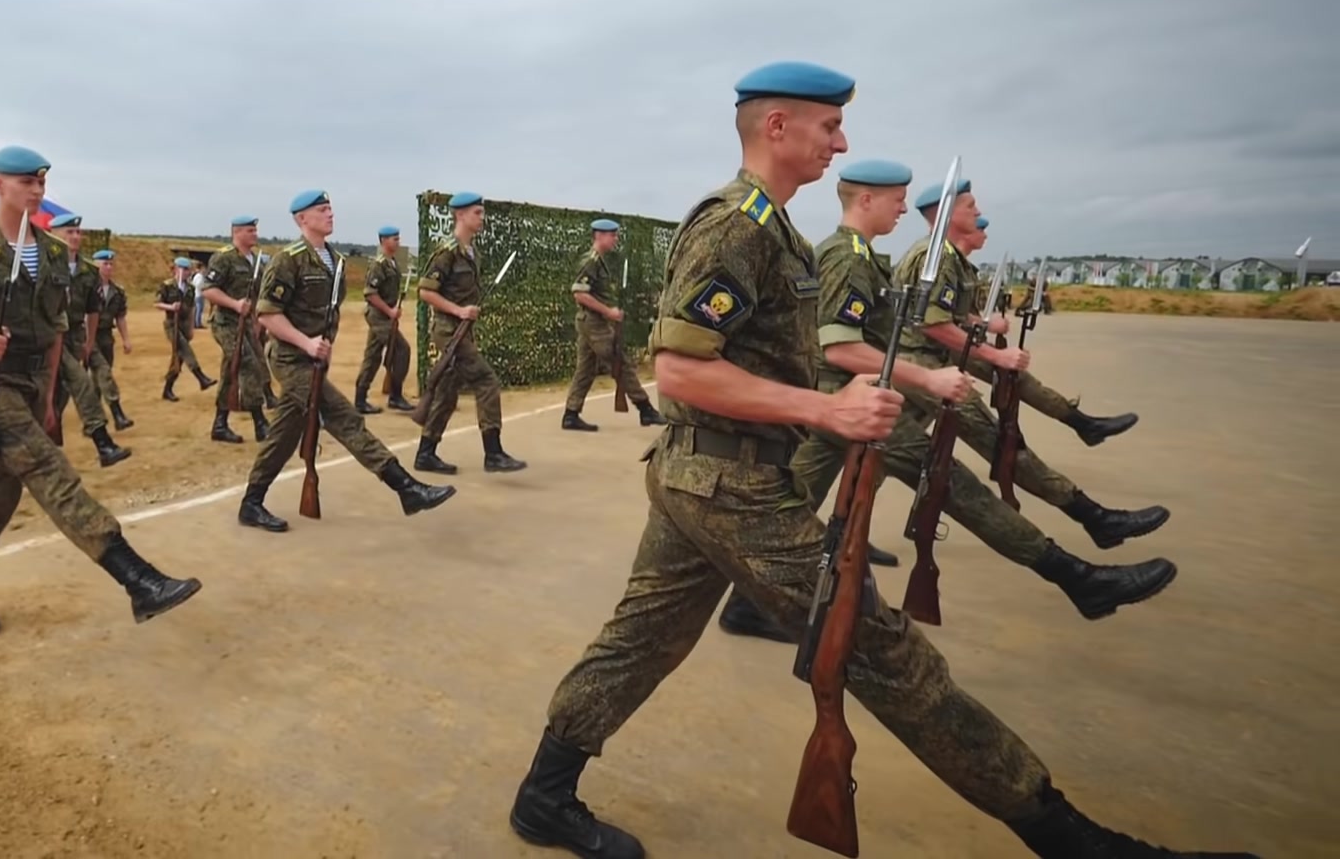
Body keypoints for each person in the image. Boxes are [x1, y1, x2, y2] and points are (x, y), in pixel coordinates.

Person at [506, 62, 1257, 859]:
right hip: (727, 483)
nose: (842, 140)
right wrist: (827, 408)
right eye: (829, 126)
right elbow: (680, 369)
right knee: (888, 654)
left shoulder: (779, 229)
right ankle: (1079, 844)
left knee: (641, 641)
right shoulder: (736, 224)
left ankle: (543, 797)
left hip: (713, 473)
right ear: (777, 127)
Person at [719, 160, 1175, 643]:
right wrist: (927, 379)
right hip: (847, 399)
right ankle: (1077, 577)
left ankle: (747, 602)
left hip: (848, 397)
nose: (902, 209)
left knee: (797, 495)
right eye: (896, 199)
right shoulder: (847, 256)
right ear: (867, 199)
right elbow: (839, 346)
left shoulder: (862, 255)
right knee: (949, 483)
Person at [0, 145, 201, 635]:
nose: (36, 191)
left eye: (41, 183)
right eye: (26, 183)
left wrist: (47, 400)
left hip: (32, 382)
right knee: (49, 469)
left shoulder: (52, 254)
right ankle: (138, 580)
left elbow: (56, 326)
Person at [894, 180, 1168, 551]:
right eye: (971, 206)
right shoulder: (937, 256)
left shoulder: (944, 256)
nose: (978, 213)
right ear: (948, 213)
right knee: (1002, 443)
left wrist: (985, 329)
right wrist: (994, 353)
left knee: (875, 452)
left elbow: (950, 317)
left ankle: (1081, 426)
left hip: (934, 356)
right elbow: (932, 324)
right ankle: (1093, 516)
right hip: (922, 361)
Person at [235, 191, 456, 531]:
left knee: (283, 434)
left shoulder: (334, 261)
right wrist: (307, 343)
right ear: (301, 219)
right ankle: (406, 487)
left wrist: (324, 347)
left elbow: (329, 314)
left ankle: (251, 503)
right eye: (321, 210)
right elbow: (267, 314)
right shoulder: (288, 260)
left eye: (330, 208)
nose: (330, 214)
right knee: (344, 418)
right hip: (290, 358)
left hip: (313, 361)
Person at [969, 214, 1138, 445]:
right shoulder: (943, 261)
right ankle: (1083, 427)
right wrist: (988, 331)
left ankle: (1083, 424)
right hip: (937, 346)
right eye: (979, 229)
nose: (985, 234)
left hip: (955, 342)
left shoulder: (963, 266)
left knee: (1015, 379)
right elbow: (937, 317)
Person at [414, 192, 525, 474]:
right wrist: (459, 311)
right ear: (460, 215)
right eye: (477, 212)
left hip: (462, 332)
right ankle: (493, 453)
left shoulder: (473, 253)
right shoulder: (447, 251)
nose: (482, 217)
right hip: (448, 330)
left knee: (447, 393)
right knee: (486, 380)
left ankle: (425, 453)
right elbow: (426, 291)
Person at [561, 217, 666, 432]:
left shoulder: (599, 261)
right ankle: (645, 409)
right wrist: (609, 312)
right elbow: (579, 293)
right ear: (599, 236)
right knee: (621, 363)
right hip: (593, 323)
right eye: (612, 235)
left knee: (586, 369)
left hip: (591, 322)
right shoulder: (590, 261)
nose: (615, 239)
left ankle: (571, 414)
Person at [47, 214, 131, 467]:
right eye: (68, 232)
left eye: (77, 232)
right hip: (50, 337)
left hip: (74, 336)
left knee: (59, 396)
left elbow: (93, 310)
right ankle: (103, 443)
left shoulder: (87, 271)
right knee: (82, 384)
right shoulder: (45, 265)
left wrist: (88, 341)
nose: (75, 237)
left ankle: (47, 448)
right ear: (54, 235)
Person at [203, 216, 272, 444]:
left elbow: (260, 295)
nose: (255, 234)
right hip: (225, 323)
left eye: (255, 230)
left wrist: (258, 321)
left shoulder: (257, 262)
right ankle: (260, 422)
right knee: (247, 364)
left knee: (231, 372)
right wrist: (235, 304)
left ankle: (219, 424)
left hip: (248, 326)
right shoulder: (224, 258)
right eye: (250, 230)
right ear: (237, 232)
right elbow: (208, 290)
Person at [353, 226, 415, 414]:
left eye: (398, 238)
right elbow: (370, 293)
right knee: (402, 349)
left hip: (385, 315)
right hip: (379, 316)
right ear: (383, 241)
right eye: (394, 239)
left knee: (372, 356)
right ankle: (395, 396)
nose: (398, 242)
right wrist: (390, 311)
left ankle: (360, 399)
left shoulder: (392, 263)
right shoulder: (379, 264)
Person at [156, 256, 214, 400]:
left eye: (188, 269)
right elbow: (157, 303)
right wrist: (170, 306)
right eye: (184, 269)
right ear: (175, 269)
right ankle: (200, 376)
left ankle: (167, 389)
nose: (186, 272)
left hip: (183, 324)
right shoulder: (167, 285)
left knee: (179, 358)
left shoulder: (190, 288)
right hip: (171, 324)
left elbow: (192, 308)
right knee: (185, 350)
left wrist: (191, 328)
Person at [89, 248, 135, 430]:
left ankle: (93, 417)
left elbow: (120, 317)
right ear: (95, 265)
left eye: (110, 264)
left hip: (106, 337)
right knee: (104, 374)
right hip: (89, 336)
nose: (108, 267)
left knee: (98, 379)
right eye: (104, 264)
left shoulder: (117, 291)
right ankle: (118, 414)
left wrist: (126, 339)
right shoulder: (88, 288)